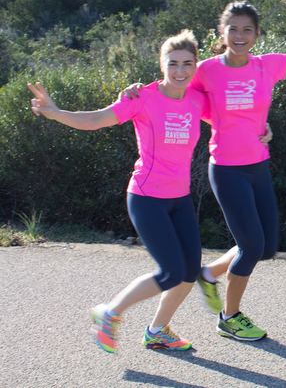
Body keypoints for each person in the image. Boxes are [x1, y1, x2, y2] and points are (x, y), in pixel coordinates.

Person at [123, 0, 286, 341]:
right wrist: (136, 91)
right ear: (222, 32)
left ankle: (208, 275)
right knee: (250, 248)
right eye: (232, 29)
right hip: (227, 168)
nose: (239, 35)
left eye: (246, 30)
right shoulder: (206, 70)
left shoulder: (266, 65)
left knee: (266, 247)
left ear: (256, 34)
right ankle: (229, 317)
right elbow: (176, 87)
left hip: (258, 164)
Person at [28, 31, 223, 353]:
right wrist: (56, 112)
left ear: (195, 66)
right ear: (161, 65)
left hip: (180, 198)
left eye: (187, 64)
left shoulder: (196, 99)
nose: (180, 71)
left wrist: (262, 128)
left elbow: (229, 120)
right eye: (172, 63)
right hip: (147, 198)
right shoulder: (142, 97)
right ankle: (111, 312)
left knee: (189, 271)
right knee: (172, 271)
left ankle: (158, 331)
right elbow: (97, 119)